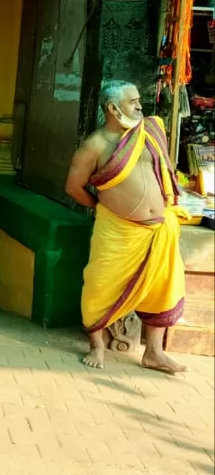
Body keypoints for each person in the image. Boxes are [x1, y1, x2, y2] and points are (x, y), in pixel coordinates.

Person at [65, 80, 190, 375]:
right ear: (112, 108)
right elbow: (73, 187)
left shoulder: (150, 130)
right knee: (100, 285)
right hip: (117, 229)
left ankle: (154, 353)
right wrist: (102, 208)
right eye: (133, 102)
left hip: (159, 228)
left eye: (138, 101)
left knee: (161, 287)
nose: (140, 106)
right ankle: (96, 346)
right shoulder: (95, 145)